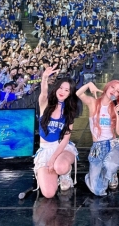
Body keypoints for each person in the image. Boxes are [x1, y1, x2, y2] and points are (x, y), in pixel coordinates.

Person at [34, 65, 79, 198]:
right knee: (48, 194)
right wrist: (45, 77)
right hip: (45, 149)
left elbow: (65, 139)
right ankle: (49, 175)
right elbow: (43, 93)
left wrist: (53, 159)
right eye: (61, 88)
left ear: (70, 93)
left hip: (61, 148)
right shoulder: (45, 104)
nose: (62, 91)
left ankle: (65, 173)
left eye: (66, 90)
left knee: (60, 167)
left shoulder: (69, 111)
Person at [77, 80, 119, 196]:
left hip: (112, 145)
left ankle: (111, 172)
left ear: (118, 95)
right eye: (112, 87)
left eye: (117, 91)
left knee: (110, 165)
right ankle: (101, 173)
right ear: (107, 87)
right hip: (97, 148)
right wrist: (89, 84)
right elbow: (78, 94)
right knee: (97, 190)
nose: (114, 91)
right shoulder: (93, 103)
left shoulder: (116, 108)